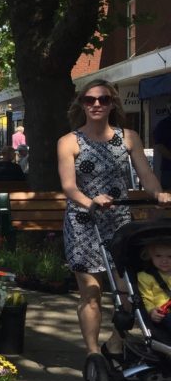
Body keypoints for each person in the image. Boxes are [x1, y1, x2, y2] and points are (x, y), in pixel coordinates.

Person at [57, 78, 171, 359]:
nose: (96, 104)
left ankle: (116, 340)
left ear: (112, 104)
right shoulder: (69, 141)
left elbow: (147, 176)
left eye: (103, 99)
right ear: (81, 104)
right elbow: (69, 186)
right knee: (91, 292)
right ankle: (94, 354)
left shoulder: (129, 137)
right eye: (90, 100)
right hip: (83, 224)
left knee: (128, 293)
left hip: (119, 222)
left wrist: (159, 194)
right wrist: (91, 201)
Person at [136, 241, 171, 331]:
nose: (164, 260)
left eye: (170, 256)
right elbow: (146, 299)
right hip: (163, 314)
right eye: (158, 256)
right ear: (150, 256)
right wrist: (151, 311)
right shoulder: (145, 277)